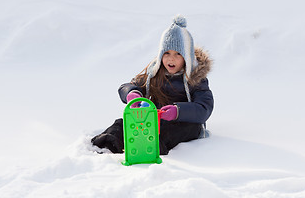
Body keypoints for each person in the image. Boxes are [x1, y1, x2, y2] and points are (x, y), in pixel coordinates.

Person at [91, 14, 214, 155]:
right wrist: (132, 94)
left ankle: (152, 145)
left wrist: (177, 111)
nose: (171, 58)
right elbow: (127, 86)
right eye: (166, 53)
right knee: (123, 123)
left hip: (186, 122)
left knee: (173, 130)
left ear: (186, 57)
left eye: (178, 54)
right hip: (156, 118)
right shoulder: (154, 74)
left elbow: (204, 108)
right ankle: (107, 143)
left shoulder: (196, 79)